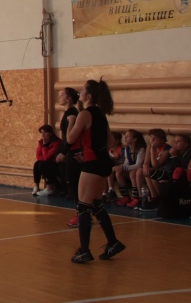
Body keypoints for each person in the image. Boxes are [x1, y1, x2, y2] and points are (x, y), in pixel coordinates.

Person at [66, 79, 125, 263]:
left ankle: (84, 251)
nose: (80, 91)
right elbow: (110, 142)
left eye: (83, 89)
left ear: (89, 96)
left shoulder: (84, 114)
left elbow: (70, 139)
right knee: (95, 205)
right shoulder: (100, 113)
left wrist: (71, 121)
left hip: (93, 164)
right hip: (102, 162)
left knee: (83, 206)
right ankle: (113, 242)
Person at [56, 88, 81, 223]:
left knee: (75, 184)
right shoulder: (67, 113)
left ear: (69, 98)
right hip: (70, 151)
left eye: (62, 95)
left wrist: (64, 152)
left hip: (74, 152)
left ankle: (81, 214)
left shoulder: (72, 114)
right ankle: (82, 213)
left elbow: (71, 137)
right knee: (72, 183)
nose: (59, 97)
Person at [113, 130, 146, 207]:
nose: (125, 137)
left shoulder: (141, 149)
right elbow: (127, 162)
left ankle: (136, 197)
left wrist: (123, 167)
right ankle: (126, 196)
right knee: (118, 173)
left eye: (128, 136)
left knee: (132, 173)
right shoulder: (127, 149)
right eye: (125, 135)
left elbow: (138, 165)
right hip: (131, 169)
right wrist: (120, 167)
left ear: (135, 139)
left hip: (140, 171)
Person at [33, 124, 61, 196]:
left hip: (56, 163)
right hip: (47, 162)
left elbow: (46, 157)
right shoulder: (41, 142)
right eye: (41, 133)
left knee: (42, 165)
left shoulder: (56, 142)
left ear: (50, 133)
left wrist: (45, 145)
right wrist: (43, 145)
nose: (43, 135)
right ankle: (37, 186)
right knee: (37, 164)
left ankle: (51, 187)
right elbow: (38, 155)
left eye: (45, 132)